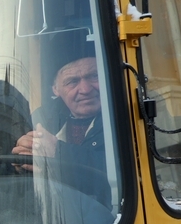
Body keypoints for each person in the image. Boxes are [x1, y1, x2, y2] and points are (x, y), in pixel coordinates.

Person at [11, 55, 108, 202]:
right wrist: (21, 163)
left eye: (94, 76)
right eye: (72, 81)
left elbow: (124, 174)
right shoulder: (42, 118)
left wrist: (58, 152)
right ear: (56, 89)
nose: (85, 89)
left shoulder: (127, 114)